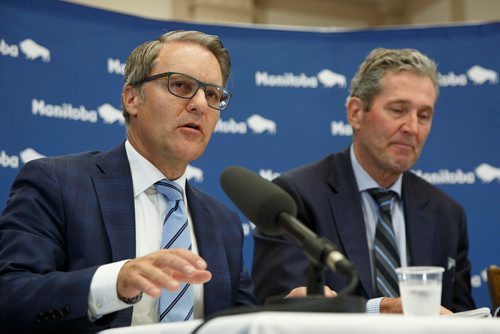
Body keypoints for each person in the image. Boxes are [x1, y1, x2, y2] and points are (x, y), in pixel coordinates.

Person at [0, 30, 259, 333]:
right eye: (181, 85)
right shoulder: (58, 183)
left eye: (213, 94)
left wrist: (289, 313)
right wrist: (114, 282)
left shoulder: (223, 223)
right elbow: (10, 295)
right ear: (132, 98)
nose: (200, 104)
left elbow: (239, 322)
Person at [252, 48, 476, 314]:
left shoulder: (447, 214)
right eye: (398, 110)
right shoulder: (295, 198)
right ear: (356, 112)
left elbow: (463, 316)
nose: (412, 128)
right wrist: (379, 310)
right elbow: (281, 308)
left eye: (424, 116)